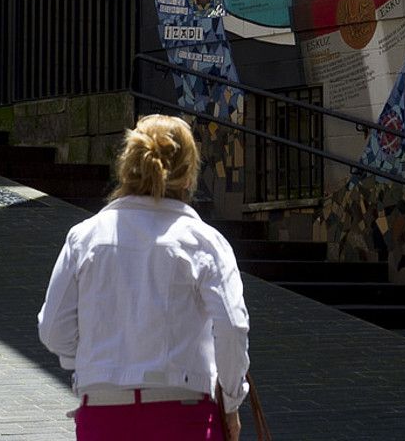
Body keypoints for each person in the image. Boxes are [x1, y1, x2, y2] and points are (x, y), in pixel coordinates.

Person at [38, 114, 251, 441]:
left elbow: (53, 330)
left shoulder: (85, 237)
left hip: (104, 411)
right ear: (188, 173)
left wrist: (93, 361)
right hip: (183, 411)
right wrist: (231, 401)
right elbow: (232, 326)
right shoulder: (204, 241)